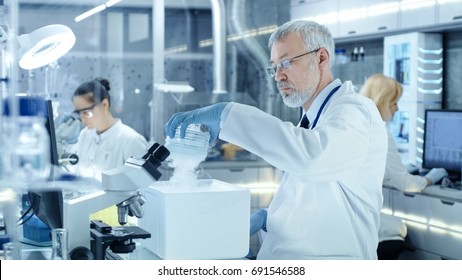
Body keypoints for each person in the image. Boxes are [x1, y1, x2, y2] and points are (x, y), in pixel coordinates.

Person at [165, 20, 388, 259]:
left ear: (322, 58)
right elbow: (315, 201)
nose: (278, 76)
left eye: (286, 62)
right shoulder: (315, 118)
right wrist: (272, 223)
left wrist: (226, 115)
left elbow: (312, 159)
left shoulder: (354, 110)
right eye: (274, 67)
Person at [360, 74, 448, 259]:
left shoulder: (357, 124)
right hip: (359, 219)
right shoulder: (379, 130)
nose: (397, 108)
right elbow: (406, 184)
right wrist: (431, 177)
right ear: (382, 101)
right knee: (399, 227)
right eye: (394, 103)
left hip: (343, 217)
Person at [72, 78, 148, 225]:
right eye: (78, 113)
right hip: (87, 220)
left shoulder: (131, 140)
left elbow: (145, 196)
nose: (82, 119)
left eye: (86, 112)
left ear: (104, 105)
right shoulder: (85, 135)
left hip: (121, 225)